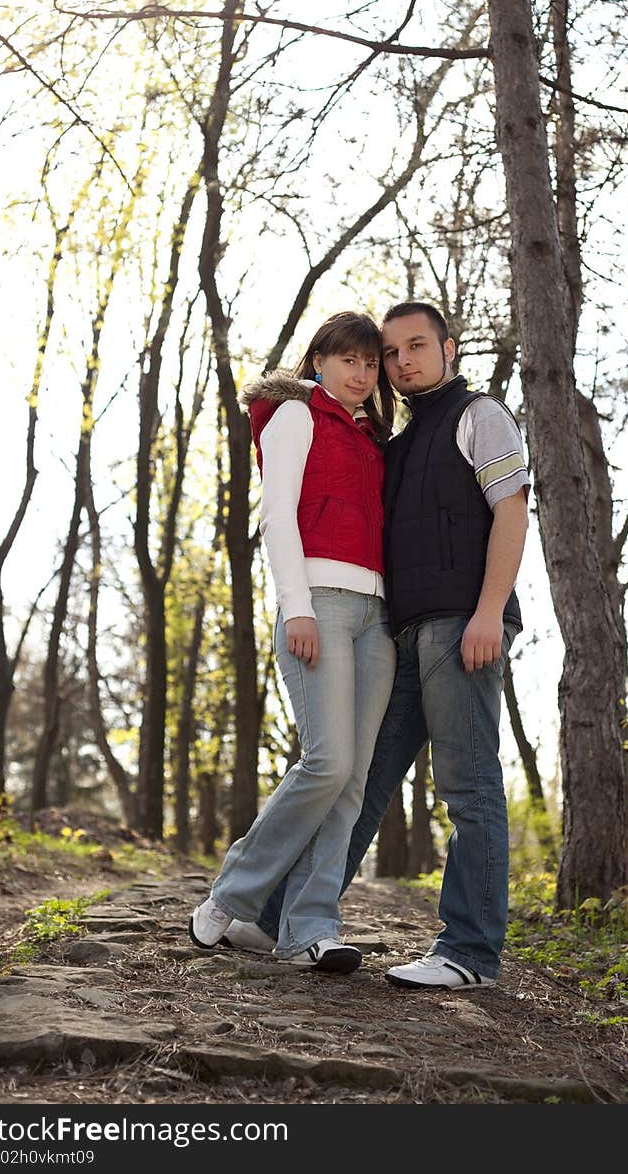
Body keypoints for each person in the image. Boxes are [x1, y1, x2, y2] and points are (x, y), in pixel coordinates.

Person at [250, 301, 530, 989]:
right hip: (398, 631)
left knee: (468, 787)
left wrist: (489, 612)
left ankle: (468, 953)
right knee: (360, 778)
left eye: (416, 347)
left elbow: (513, 511)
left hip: (462, 625)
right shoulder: (395, 441)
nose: (402, 362)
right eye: (390, 353)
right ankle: (283, 918)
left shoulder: (480, 416)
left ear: (449, 350)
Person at [188, 310, 397, 973]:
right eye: (348, 361)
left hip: (377, 616)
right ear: (318, 361)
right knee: (327, 762)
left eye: (371, 364)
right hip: (321, 607)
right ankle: (232, 894)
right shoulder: (294, 417)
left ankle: (311, 930)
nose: (361, 374)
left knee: (354, 782)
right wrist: (296, 608)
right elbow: (278, 517)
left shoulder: (371, 438)